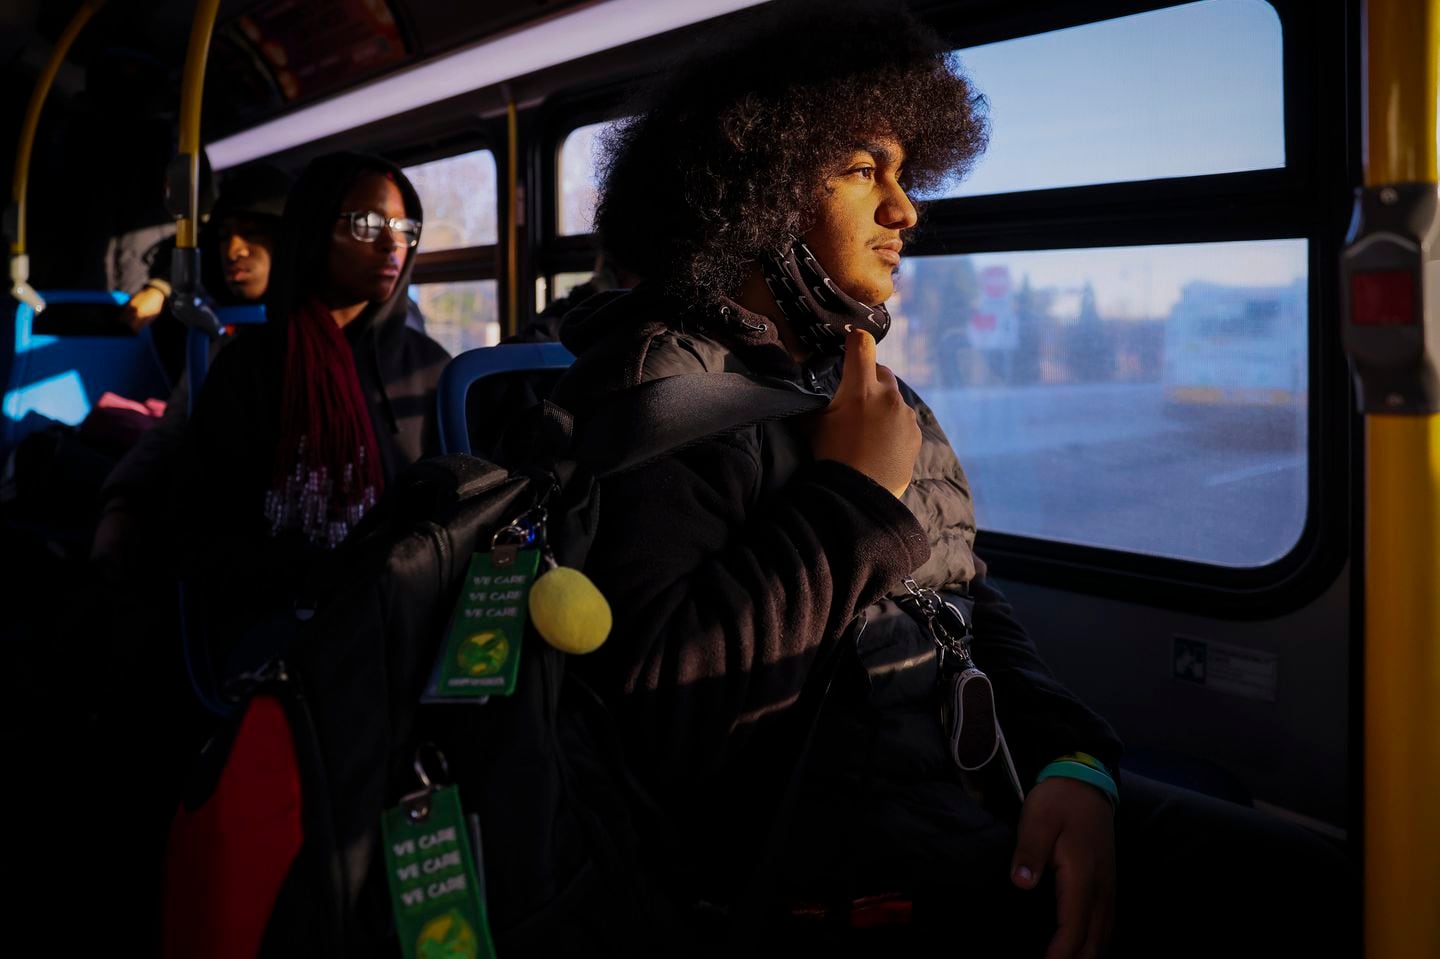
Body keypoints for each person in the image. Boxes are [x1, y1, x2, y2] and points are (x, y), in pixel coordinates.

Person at [549, 2, 1348, 956]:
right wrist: (849, 500)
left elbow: (966, 603)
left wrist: (1075, 758)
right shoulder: (664, 390)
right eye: (861, 171)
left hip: (978, 799)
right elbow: (661, 720)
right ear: (752, 190)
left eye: (903, 173)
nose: (905, 208)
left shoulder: (866, 388)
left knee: (1338, 890)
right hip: (840, 879)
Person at [178, 151, 448, 666]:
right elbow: (204, 531)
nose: (392, 242)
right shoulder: (250, 367)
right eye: (367, 224)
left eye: (403, 226)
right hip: (281, 625)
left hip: (406, 615)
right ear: (315, 229)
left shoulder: (430, 370)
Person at [91, 163, 293, 568]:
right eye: (224, 238)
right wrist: (121, 502)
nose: (233, 250)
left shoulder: (338, 335)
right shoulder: (220, 333)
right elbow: (175, 426)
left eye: (252, 234)